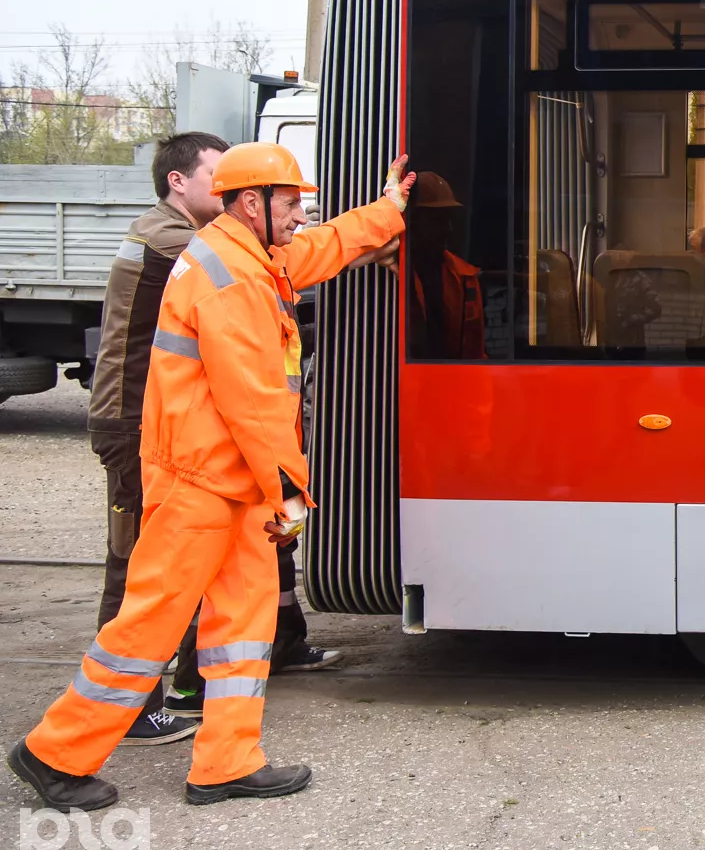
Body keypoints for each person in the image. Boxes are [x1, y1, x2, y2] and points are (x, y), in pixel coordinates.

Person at [8, 143, 414, 811]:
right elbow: (255, 404)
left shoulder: (247, 256)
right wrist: (291, 498)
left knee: (243, 625)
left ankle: (226, 762)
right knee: (153, 621)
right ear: (253, 202)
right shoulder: (235, 278)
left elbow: (323, 248)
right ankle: (54, 753)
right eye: (292, 203)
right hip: (202, 483)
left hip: (229, 483)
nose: (301, 216)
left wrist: (389, 208)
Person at [85, 132, 227, 747]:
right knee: (135, 566)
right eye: (217, 176)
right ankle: (127, 708)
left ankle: (185, 685)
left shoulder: (179, 233)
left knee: (180, 556)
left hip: (156, 420)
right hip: (131, 423)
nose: (227, 189)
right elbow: (251, 268)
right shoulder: (169, 239)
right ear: (178, 180)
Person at [405, 172, 485, 358]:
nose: (448, 229)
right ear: (412, 220)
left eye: (448, 219)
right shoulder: (391, 274)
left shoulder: (464, 277)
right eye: (437, 220)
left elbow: (475, 353)